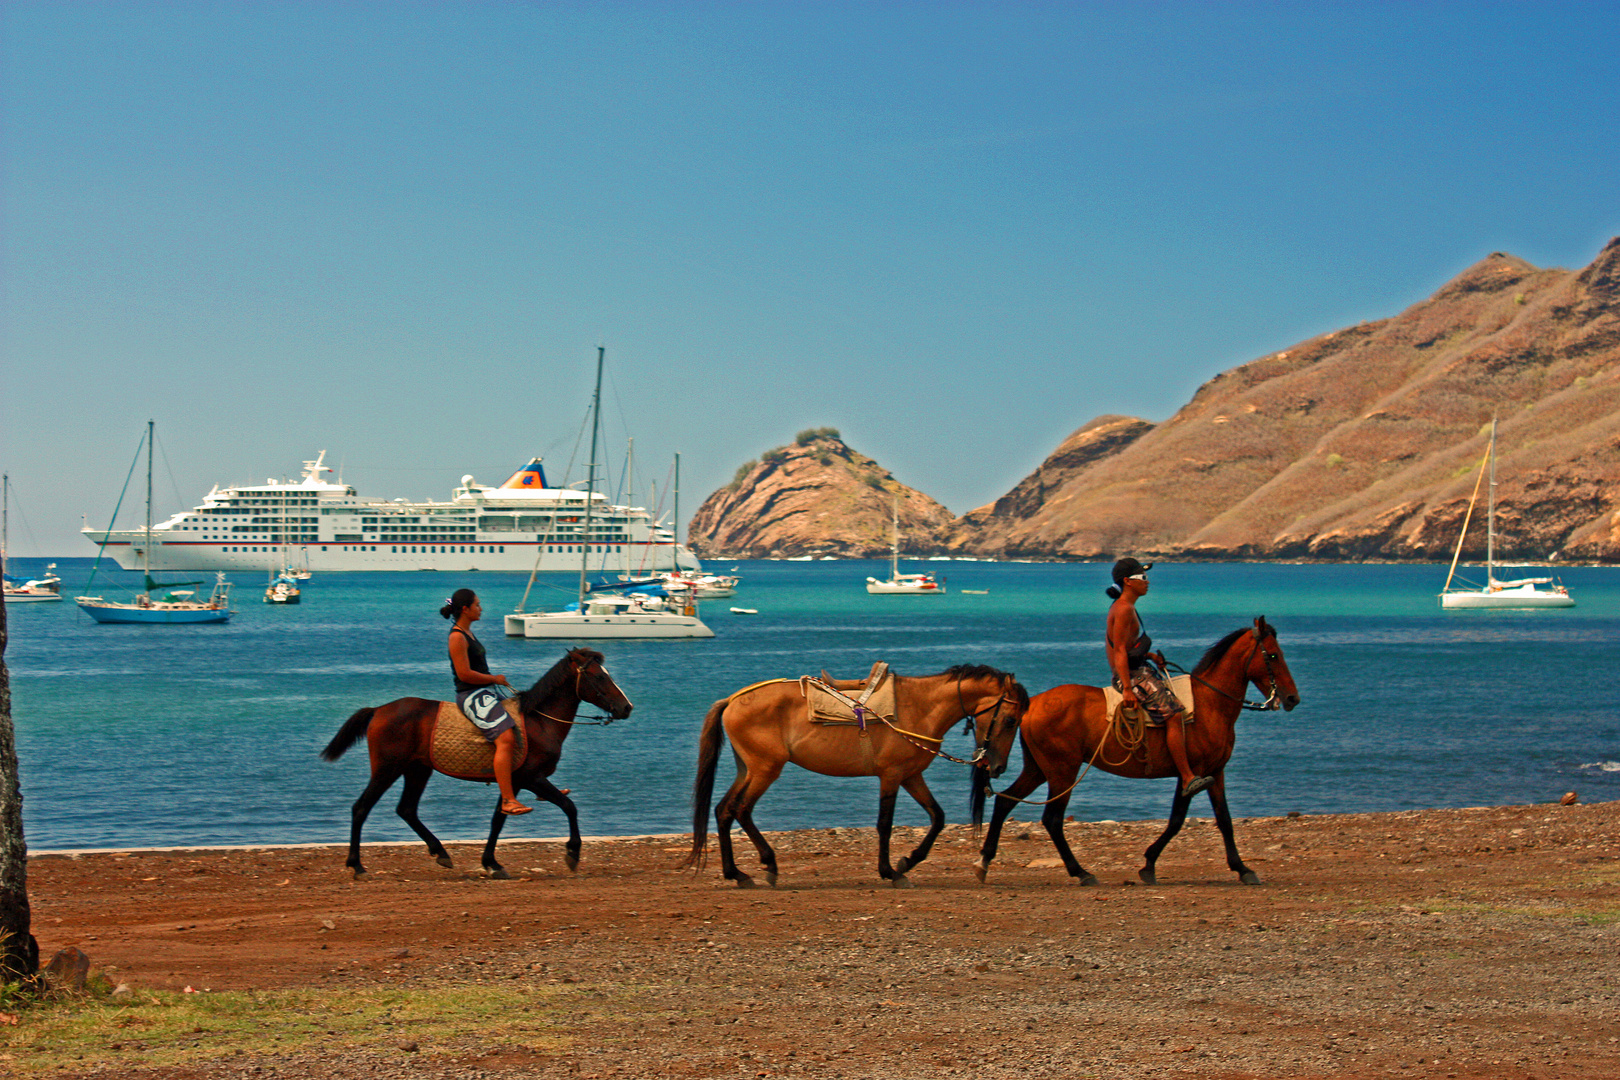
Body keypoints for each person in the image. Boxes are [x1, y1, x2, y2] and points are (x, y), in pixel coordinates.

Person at [1104, 558, 1213, 798]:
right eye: (1142, 578)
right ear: (1127, 582)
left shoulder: (1126, 607)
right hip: (1132, 676)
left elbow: (1129, 647)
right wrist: (1127, 689)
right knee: (1174, 715)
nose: (1148, 582)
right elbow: (1119, 650)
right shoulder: (1123, 609)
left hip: (1138, 668)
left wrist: (1150, 655)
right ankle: (1187, 778)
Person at [442, 588, 530, 815]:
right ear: (465, 609)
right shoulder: (457, 637)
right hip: (471, 695)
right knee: (506, 738)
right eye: (478, 605)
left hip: (486, 691)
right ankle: (508, 800)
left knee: (523, 722)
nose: (481, 608)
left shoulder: (468, 633)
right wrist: (495, 679)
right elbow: (463, 674)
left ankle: (539, 785)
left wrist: (492, 683)